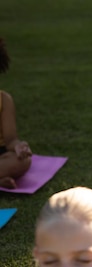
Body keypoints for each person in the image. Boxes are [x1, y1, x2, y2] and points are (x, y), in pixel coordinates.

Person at [0, 37, 32, 189]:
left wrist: (19, 146)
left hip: (2, 158)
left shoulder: (4, 100)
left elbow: (11, 140)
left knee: (22, 161)